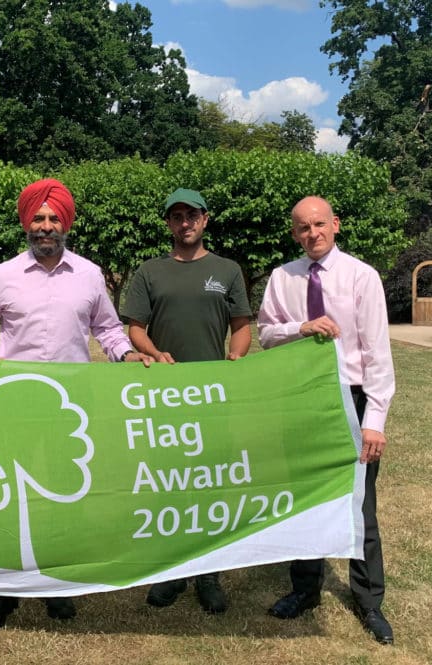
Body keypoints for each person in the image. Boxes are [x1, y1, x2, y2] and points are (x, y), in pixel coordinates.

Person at [0, 178, 153, 632]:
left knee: (63, 496)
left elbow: (107, 328)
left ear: (65, 223)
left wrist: (126, 353)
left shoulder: (88, 274)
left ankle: (56, 587)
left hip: (70, 408)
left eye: (53, 218)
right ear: (26, 223)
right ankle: (1, 595)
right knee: (7, 498)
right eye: (38, 218)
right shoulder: (4, 274)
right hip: (13, 403)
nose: (45, 226)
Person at [257, 195, 395, 645]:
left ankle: (369, 601)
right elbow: (264, 334)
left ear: (335, 224)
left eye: (319, 224)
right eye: (302, 227)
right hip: (301, 400)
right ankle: (304, 590)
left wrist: (374, 418)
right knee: (305, 498)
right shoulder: (283, 278)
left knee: (359, 502)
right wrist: (299, 328)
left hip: (350, 400)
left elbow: (377, 353)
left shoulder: (362, 276)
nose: (311, 234)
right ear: (294, 233)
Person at [120, 187, 253, 614]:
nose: (185, 222)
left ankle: (209, 574)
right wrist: (155, 354)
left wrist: (236, 358)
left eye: (191, 215)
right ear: (169, 224)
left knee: (209, 481)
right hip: (163, 395)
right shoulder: (150, 272)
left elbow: (242, 325)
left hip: (212, 395)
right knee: (168, 483)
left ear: (205, 219)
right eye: (176, 216)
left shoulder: (227, 269)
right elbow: (135, 329)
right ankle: (171, 571)